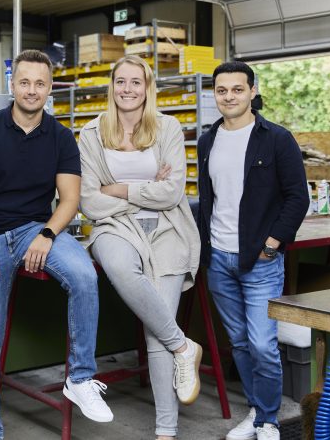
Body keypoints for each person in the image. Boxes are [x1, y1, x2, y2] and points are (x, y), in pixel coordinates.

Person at [0, 49, 113, 440]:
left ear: (50, 90)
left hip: (34, 230)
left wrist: (47, 235)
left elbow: (70, 200)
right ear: (13, 85)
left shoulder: (61, 138)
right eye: (24, 82)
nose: (32, 90)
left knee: (83, 274)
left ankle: (80, 378)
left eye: (40, 84)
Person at [78, 55, 203, 440]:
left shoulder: (167, 127)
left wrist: (117, 189)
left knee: (155, 329)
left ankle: (166, 432)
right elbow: (89, 201)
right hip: (114, 228)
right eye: (121, 81)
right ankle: (184, 347)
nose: (128, 89)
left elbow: (172, 193)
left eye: (136, 82)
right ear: (111, 86)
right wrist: (145, 193)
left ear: (148, 88)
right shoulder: (91, 132)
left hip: (167, 230)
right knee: (118, 266)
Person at [197, 61, 308, 440]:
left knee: (262, 344)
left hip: (259, 260)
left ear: (251, 91)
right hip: (218, 260)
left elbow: (298, 197)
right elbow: (209, 199)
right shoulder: (207, 140)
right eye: (222, 90)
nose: (229, 97)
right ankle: (256, 413)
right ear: (215, 94)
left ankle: (271, 420)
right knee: (240, 343)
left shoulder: (276, 139)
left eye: (237, 89)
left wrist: (272, 244)